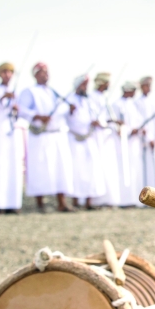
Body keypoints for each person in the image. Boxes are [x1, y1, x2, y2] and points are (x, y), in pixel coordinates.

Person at [18, 62, 73, 213]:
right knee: (39, 168)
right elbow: (21, 109)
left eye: (46, 71)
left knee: (60, 168)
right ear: (35, 75)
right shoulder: (29, 92)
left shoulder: (54, 92)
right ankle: (40, 204)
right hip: (40, 135)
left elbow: (62, 110)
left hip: (56, 134)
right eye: (41, 72)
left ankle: (62, 203)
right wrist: (37, 116)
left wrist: (70, 109)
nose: (45, 74)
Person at [0, 62, 23, 214]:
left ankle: (12, 204)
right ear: (0, 74)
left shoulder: (16, 92)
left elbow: (21, 115)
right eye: (4, 72)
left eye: (10, 72)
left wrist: (16, 109)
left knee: (13, 166)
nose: (7, 75)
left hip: (12, 133)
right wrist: (2, 99)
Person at [65, 74, 106, 209]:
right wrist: (69, 110)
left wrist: (96, 122)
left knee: (91, 170)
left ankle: (89, 201)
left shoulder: (89, 101)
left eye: (86, 85)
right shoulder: (69, 99)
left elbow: (96, 117)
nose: (85, 87)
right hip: (74, 139)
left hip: (89, 138)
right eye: (83, 84)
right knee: (76, 170)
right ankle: (75, 201)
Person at [89, 72, 121, 208]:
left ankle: (109, 199)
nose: (109, 85)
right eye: (107, 82)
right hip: (96, 137)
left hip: (108, 137)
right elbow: (94, 118)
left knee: (109, 167)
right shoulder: (91, 97)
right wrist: (107, 121)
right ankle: (97, 200)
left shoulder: (105, 98)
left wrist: (114, 123)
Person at [110, 81, 144, 206]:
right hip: (122, 143)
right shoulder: (116, 104)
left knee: (135, 170)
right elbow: (115, 125)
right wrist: (129, 130)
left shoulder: (133, 105)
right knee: (123, 169)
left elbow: (138, 122)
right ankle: (123, 200)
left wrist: (139, 130)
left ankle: (135, 199)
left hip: (134, 143)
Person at [135, 76, 155, 188]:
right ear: (142, 87)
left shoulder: (154, 102)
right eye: (147, 86)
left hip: (154, 141)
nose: (149, 88)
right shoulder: (137, 103)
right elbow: (139, 123)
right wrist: (148, 138)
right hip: (142, 141)